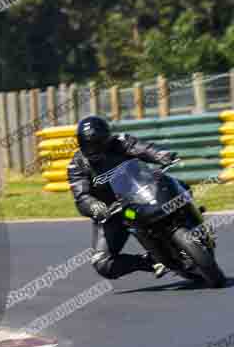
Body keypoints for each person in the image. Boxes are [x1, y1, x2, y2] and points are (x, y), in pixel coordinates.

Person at [68, 115, 179, 280]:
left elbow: (141, 148)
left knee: (174, 184)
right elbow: (81, 196)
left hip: (143, 193)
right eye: (88, 145)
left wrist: (160, 155)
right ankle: (149, 261)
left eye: (97, 143)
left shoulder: (120, 142)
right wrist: (94, 206)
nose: (93, 149)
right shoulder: (76, 165)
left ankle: (192, 222)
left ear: (106, 138)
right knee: (102, 263)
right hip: (114, 212)